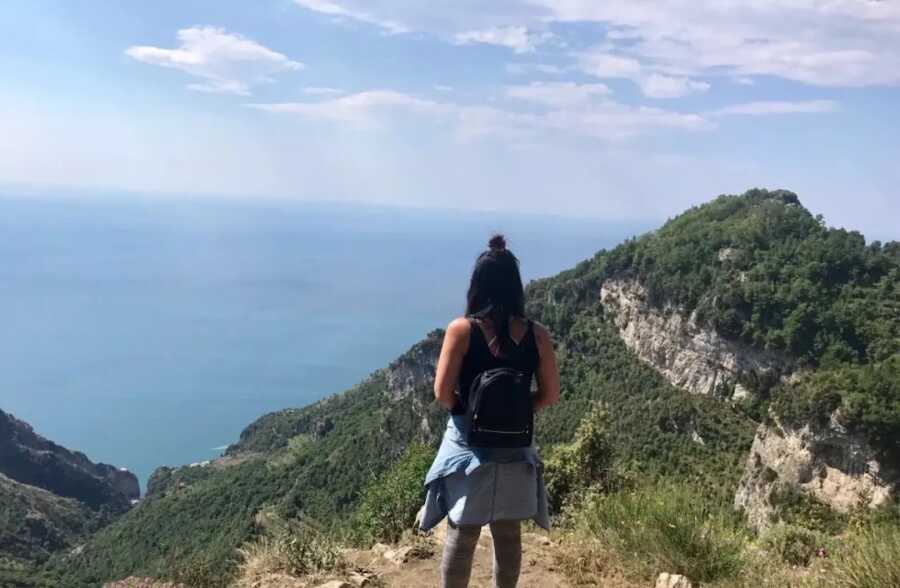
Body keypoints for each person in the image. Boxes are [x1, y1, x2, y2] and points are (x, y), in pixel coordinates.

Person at [419, 234, 561, 588]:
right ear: (516, 287)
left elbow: (442, 393)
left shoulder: (462, 330)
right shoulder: (537, 335)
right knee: (509, 534)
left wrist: (469, 414)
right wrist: (515, 413)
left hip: (470, 445)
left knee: (462, 533)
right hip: (516, 445)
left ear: (477, 285)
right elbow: (550, 395)